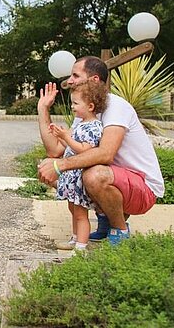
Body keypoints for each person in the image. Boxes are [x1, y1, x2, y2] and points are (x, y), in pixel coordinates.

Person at [36, 56, 164, 245]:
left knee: (92, 175)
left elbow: (106, 153)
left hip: (144, 188)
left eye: (75, 75)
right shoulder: (87, 112)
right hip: (117, 179)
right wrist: (42, 109)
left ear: (94, 80)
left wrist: (60, 165)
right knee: (64, 176)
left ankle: (119, 231)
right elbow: (54, 151)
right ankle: (105, 221)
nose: (69, 80)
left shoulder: (116, 106)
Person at [48, 80, 107, 251]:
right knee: (73, 209)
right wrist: (60, 136)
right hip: (71, 175)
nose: (72, 107)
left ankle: (81, 247)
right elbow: (72, 147)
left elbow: (84, 150)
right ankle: (75, 239)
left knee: (81, 214)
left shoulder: (94, 127)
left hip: (79, 176)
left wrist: (66, 137)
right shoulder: (81, 124)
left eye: (75, 103)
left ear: (90, 106)